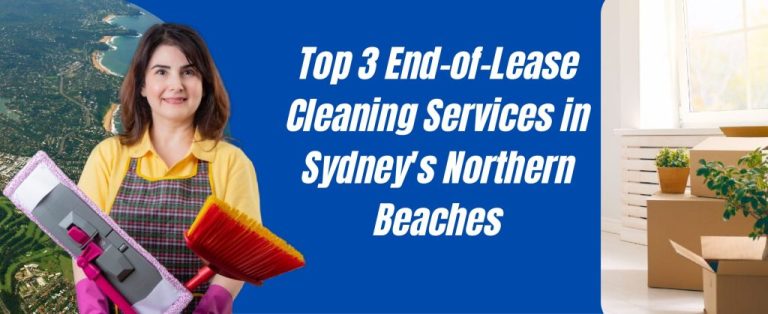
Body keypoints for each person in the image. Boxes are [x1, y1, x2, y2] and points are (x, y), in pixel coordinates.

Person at [73, 23, 261, 314]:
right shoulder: (108, 157)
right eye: (162, 72)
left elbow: (240, 253)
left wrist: (214, 304)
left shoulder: (231, 163)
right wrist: (94, 307)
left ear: (205, 84)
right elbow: (85, 247)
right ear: (143, 86)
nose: (176, 84)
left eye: (189, 72)